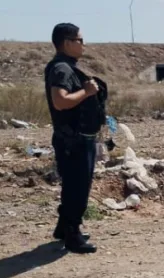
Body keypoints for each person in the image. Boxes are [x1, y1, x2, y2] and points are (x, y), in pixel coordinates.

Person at [44, 23, 108, 254]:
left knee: (74, 185)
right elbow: (60, 101)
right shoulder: (61, 69)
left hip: (76, 139)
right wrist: (87, 92)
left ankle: (64, 228)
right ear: (67, 42)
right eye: (79, 40)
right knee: (77, 188)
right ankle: (73, 235)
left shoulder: (66, 67)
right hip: (73, 140)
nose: (83, 44)